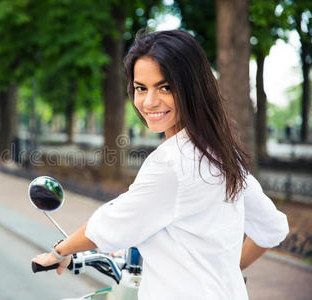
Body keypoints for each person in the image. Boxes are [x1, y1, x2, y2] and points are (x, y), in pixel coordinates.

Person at [32, 30, 289, 300]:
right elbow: (273, 229)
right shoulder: (224, 154)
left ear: (192, 88)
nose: (149, 101)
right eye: (141, 88)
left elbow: (109, 225)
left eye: (165, 87)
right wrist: (227, 271)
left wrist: (59, 252)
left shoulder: (172, 162)